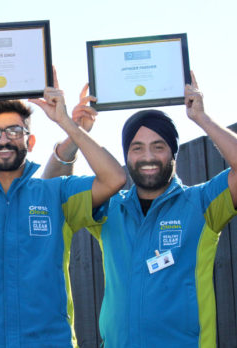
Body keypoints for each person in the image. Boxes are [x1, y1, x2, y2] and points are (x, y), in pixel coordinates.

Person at [43, 72, 237, 347]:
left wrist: (201, 118)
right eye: (137, 148)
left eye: (158, 147)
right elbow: (49, 196)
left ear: (173, 153)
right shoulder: (112, 209)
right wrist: (74, 133)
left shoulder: (201, 204)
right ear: (127, 156)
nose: (147, 157)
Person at [0, 74, 126, 348]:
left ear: (30, 141)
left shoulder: (56, 192)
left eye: (14, 131)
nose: (4, 140)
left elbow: (114, 179)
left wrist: (66, 123)